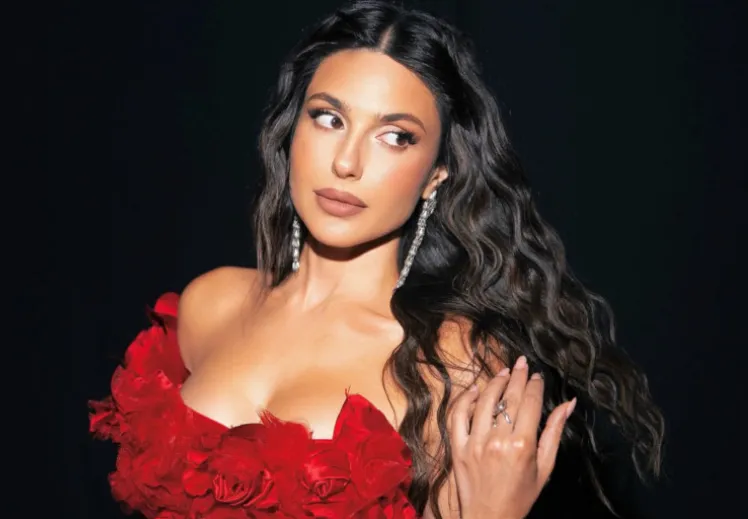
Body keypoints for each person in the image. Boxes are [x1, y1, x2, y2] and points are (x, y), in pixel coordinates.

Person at [89, 1, 664, 518]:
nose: (347, 163)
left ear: (436, 175)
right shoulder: (211, 302)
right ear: (291, 132)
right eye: (328, 118)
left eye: (395, 136)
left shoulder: (455, 361)